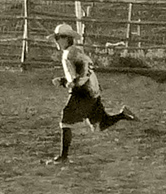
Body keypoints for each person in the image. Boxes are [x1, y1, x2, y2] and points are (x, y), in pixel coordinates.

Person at [46, 23, 138, 165]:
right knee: (99, 124)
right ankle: (122, 115)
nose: (56, 41)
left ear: (66, 38)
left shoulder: (70, 54)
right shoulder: (73, 52)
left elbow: (84, 70)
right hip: (92, 90)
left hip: (84, 92)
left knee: (65, 121)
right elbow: (86, 68)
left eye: (58, 38)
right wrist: (66, 81)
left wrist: (70, 83)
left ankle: (63, 157)